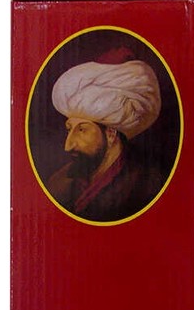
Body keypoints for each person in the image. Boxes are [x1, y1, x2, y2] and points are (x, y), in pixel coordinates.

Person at [47, 48, 163, 222]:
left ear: (110, 134)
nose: (68, 145)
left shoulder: (146, 184)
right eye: (69, 129)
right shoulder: (60, 182)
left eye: (82, 130)